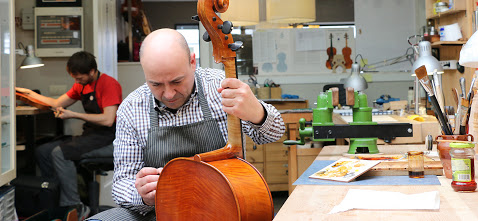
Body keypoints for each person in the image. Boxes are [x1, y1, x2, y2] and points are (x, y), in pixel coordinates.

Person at [88, 29, 285, 221]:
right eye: (156, 84)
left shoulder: (221, 87)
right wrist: (142, 195)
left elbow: (273, 134)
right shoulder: (131, 108)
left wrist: (257, 112)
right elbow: (122, 183)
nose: (169, 94)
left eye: (176, 81)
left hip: (224, 206)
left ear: (192, 61)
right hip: (163, 210)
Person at [16, 51, 123, 221]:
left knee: (60, 153)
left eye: (79, 78)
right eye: (75, 78)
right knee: (43, 151)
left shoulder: (109, 84)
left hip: (108, 137)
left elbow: (108, 120)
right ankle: (53, 199)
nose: (76, 82)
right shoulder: (81, 85)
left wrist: (74, 115)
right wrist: (27, 94)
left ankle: (75, 207)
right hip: (90, 135)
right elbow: (56, 103)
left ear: (92, 72)